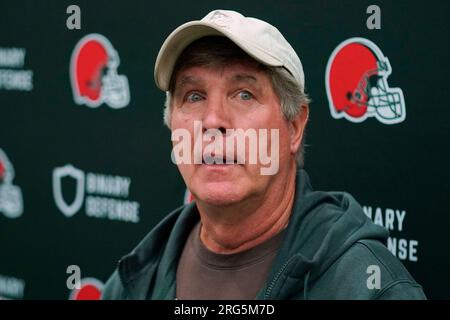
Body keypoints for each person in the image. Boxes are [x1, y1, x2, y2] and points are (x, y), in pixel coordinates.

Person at [102, 9, 426, 300]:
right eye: (194, 95)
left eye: (244, 94)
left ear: (295, 127)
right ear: (172, 123)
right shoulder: (136, 279)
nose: (213, 120)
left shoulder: (367, 287)